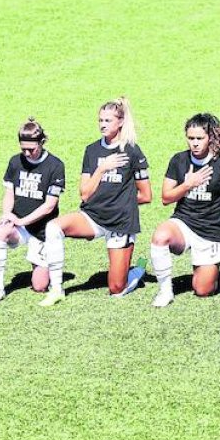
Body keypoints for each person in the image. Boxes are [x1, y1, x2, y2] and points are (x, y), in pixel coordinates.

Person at [39, 97, 151, 306]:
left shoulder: (132, 151)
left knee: (116, 289)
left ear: (120, 122)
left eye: (108, 121)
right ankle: (56, 289)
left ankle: (138, 269)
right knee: (53, 227)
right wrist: (102, 168)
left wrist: (119, 203)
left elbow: (146, 195)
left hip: (120, 222)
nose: (102, 125)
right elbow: (85, 194)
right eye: (100, 120)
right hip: (93, 216)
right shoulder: (92, 150)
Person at [149, 113, 220, 307]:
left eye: (199, 138)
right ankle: (165, 291)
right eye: (191, 138)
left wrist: (217, 220)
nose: (195, 143)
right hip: (183, 223)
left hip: (209, 231)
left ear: (211, 137)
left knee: (203, 291)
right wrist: (188, 185)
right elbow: (166, 198)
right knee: (160, 236)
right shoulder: (179, 160)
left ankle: (211, 271)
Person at [0, 118, 66, 304]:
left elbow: (49, 206)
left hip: (41, 231)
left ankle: (39, 262)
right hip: (19, 226)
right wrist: (7, 215)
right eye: (23, 149)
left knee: (39, 286)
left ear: (42, 142)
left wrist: (22, 221)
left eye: (32, 149)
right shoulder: (15, 162)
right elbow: (9, 194)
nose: (27, 153)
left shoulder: (55, 165)